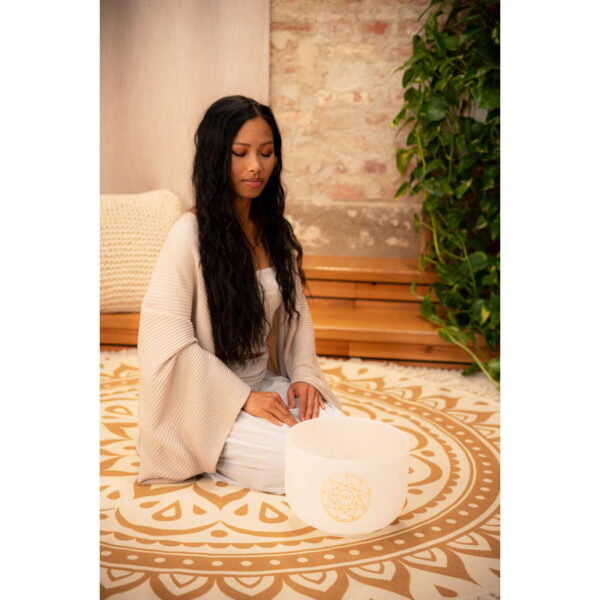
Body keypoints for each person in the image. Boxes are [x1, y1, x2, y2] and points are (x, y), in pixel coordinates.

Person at [136, 95, 345, 494]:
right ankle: (210, 453)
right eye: (240, 153)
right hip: (209, 404)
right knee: (301, 464)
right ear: (216, 156)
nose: (256, 166)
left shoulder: (276, 230)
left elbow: (296, 315)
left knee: (337, 437)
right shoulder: (188, 235)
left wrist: (303, 375)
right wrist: (242, 398)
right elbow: (165, 339)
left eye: (266, 153)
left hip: (265, 385)